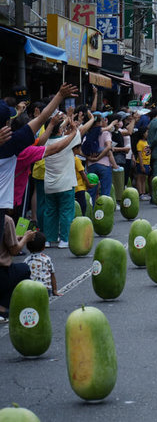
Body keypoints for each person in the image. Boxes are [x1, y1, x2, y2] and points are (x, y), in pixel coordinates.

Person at [42, 116, 82, 248]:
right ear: (59, 129)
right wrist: (73, 125)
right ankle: (64, 239)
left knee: (50, 211)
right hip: (65, 184)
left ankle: (48, 239)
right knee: (66, 212)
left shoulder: (44, 142)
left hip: (49, 184)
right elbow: (77, 134)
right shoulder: (65, 141)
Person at [1, 221, 39, 321]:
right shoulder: (6, 220)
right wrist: (25, 239)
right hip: (2, 273)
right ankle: (3, 307)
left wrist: (15, 238)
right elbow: (14, 250)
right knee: (24, 269)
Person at [23, 231, 60, 296]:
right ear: (43, 247)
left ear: (27, 247)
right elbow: (52, 275)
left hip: (31, 289)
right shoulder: (47, 259)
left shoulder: (26, 261)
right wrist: (54, 290)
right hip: (46, 289)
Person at [136, 129, 151, 199]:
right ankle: (140, 193)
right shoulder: (140, 143)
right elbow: (140, 155)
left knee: (144, 178)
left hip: (147, 162)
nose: (147, 133)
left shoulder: (146, 142)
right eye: (146, 132)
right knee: (140, 177)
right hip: (141, 162)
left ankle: (144, 192)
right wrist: (141, 165)